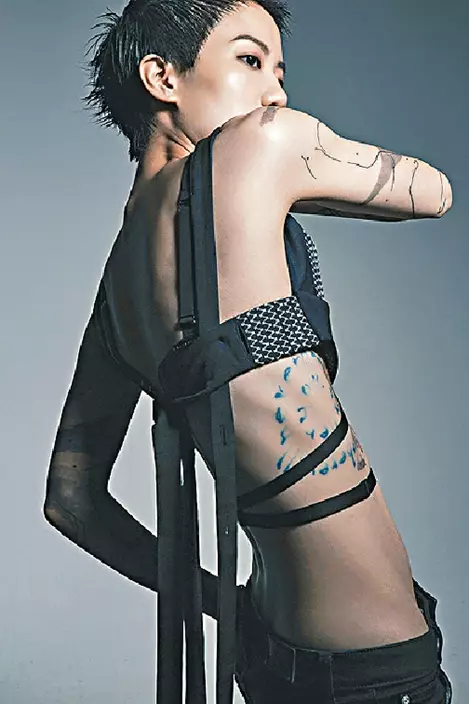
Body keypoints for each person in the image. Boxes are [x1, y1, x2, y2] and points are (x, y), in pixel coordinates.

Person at [43, 0, 454, 702]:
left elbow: (71, 501)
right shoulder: (263, 144)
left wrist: (218, 601)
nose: (276, 93)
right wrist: (283, 167)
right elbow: (434, 192)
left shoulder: (117, 291)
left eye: (279, 72)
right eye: (249, 60)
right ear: (162, 78)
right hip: (373, 664)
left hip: (263, 652)